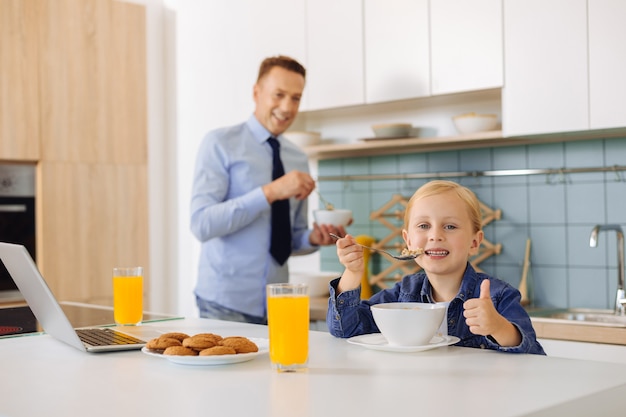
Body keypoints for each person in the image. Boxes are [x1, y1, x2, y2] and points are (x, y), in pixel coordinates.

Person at [190, 55, 346, 324]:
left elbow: (288, 238)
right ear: (256, 92)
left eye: (295, 98)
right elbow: (202, 224)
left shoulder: (298, 159)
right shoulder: (220, 143)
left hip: (278, 304)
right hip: (224, 303)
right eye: (279, 95)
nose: (287, 107)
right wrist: (271, 192)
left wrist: (313, 238)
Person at [327, 180, 545, 355]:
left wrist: (498, 327)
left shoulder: (498, 296)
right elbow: (346, 329)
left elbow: (533, 355)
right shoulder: (402, 295)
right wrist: (352, 273)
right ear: (408, 241)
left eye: (450, 226)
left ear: (475, 242)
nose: (435, 235)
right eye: (423, 226)